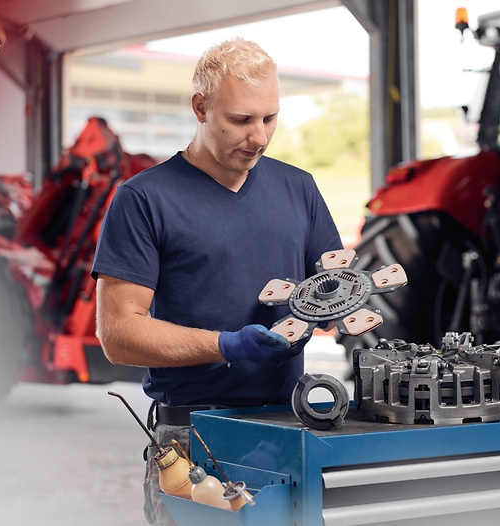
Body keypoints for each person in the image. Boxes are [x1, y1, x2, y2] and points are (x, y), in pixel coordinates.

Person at [91, 37, 343, 525]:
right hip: (192, 436)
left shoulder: (299, 187)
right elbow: (118, 334)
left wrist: (336, 311)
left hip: (289, 426)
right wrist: (229, 345)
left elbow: (331, 288)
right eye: (241, 120)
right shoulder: (144, 199)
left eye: (269, 118)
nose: (259, 137)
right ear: (200, 107)